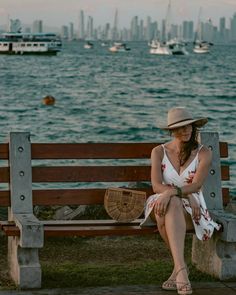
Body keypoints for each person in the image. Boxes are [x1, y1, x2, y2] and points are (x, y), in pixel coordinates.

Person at [141, 107, 221, 295]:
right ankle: (182, 272)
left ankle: (178, 271)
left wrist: (177, 194)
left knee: (169, 210)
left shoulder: (203, 153)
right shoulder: (158, 152)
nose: (185, 131)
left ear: (194, 127)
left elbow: (196, 185)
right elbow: (155, 185)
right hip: (161, 201)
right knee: (170, 204)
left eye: (189, 126)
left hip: (190, 206)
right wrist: (173, 194)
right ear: (171, 130)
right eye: (179, 128)